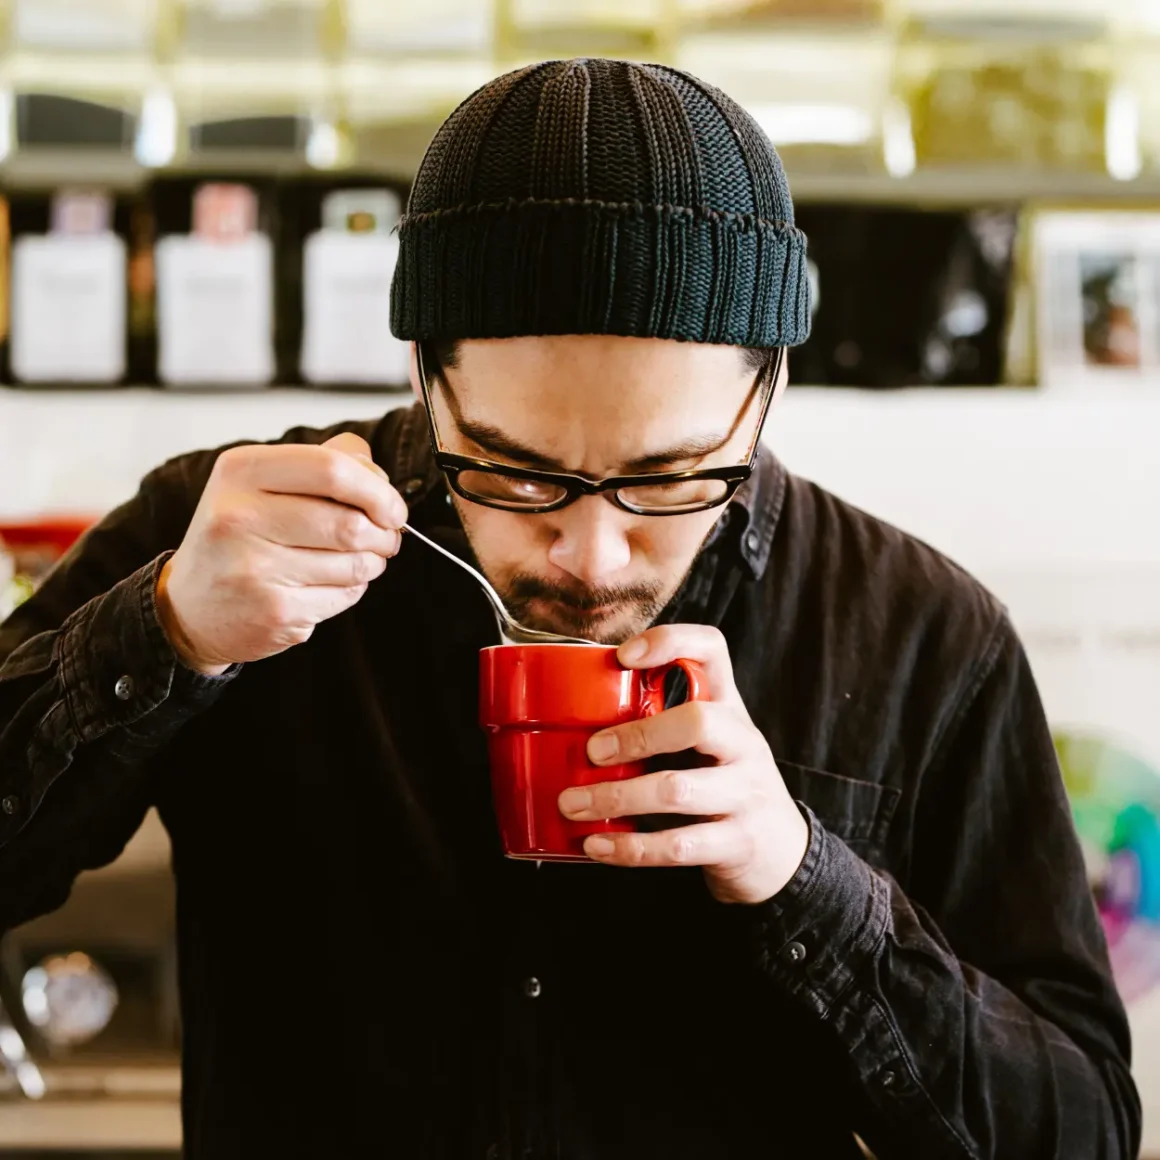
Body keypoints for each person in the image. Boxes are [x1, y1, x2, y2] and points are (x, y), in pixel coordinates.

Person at [0, 59, 1139, 1160]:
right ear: (419, 373)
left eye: (666, 477)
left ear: (767, 391)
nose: (589, 557)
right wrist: (164, 631)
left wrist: (800, 874)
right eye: (516, 471)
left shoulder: (923, 635)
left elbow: (1081, 1124)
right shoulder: (225, 537)